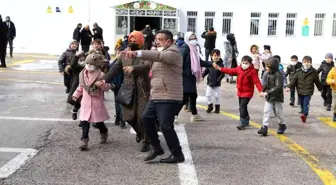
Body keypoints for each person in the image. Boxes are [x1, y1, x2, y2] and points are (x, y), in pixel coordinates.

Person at [122, 29, 185, 163]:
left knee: (165, 125)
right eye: (156, 39)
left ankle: (177, 154)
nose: (156, 41)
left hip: (169, 95)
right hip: (156, 94)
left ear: (168, 41)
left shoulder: (173, 52)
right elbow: (147, 64)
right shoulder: (159, 53)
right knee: (146, 118)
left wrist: (137, 53)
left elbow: (159, 57)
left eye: (160, 39)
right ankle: (157, 147)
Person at [104, 31, 152, 152]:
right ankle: (140, 133)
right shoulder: (123, 54)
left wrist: (134, 68)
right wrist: (103, 80)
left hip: (143, 89)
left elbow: (147, 67)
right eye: (130, 40)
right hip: (128, 89)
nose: (132, 42)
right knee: (128, 117)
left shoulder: (146, 53)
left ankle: (147, 141)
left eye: (135, 41)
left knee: (142, 117)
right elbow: (114, 69)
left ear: (141, 41)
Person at [72, 53, 111, 150]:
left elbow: (107, 87)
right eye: (87, 64)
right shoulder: (83, 74)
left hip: (96, 103)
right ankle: (84, 140)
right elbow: (81, 87)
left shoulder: (101, 75)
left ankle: (104, 132)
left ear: (97, 65)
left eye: (92, 65)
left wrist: (101, 84)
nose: (89, 66)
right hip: (85, 103)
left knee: (98, 122)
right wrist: (76, 95)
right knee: (85, 122)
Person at [213, 56, 263, 130]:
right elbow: (230, 71)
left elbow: (257, 81)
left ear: (250, 64)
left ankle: (242, 122)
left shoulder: (253, 71)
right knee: (243, 106)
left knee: (242, 107)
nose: (244, 64)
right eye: (243, 63)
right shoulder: (239, 69)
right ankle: (246, 119)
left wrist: (261, 91)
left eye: (246, 63)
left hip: (248, 92)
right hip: (240, 91)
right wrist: (220, 68)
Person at [176, 31, 212, 122]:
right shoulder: (184, 49)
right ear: (187, 39)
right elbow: (179, 63)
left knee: (193, 96)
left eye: (194, 38)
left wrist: (213, 64)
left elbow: (200, 62)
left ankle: (194, 115)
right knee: (185, 97)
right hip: (185, 77)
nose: (193, 40)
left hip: (191, 77)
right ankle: (174, 115)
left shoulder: (194, 49)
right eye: (191, 38)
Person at [286, 56, 323, 123]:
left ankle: (305, 114)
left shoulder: (314, 72)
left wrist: (321, 89)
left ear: (311, 63)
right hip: (300, 90)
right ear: (302, 63)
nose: (306, 64)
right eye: (305, 62)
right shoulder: (298, 71)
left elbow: (317, 82)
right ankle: (303, 112)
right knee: (302, 104)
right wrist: (289, 86)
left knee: (306, 103)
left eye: (308, 62)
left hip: (308, 91)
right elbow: (293, 80)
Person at [258, 58, 286, 136]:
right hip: (269, 97)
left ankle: (282, 125)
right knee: (266, 111)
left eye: (267, 66)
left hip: (277, 97)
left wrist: (267, 92)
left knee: (278, 112)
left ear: (272, 66)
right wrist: (262, 91)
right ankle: (264, 127)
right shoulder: (269, 73)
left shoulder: (278, 75)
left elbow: (278, 87)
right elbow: (267, 84)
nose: (266, 68)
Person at [65, 50, 87, 120]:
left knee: (86, 103)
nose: (81, 58)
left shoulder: (88, 66)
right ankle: (75, 111)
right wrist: (76, 56)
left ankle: (84, 120)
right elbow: (73, 64)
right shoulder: (77, 67)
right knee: (77, 101)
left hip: (86, 87)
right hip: (78, 87)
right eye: (80, 57)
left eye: (82, 56)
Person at [202, 49, 224, 113]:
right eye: (214, 55)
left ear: (219, 56)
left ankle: (217, 107)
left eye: (217, 55)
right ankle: (210, 106)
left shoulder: (221, 65)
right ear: (211, 56)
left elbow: (222, 74)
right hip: (210, 83)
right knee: (208, 95)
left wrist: (218, 80)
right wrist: (202, 76)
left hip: (217, 83)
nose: (216, 57)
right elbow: (206, 71)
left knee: (217, 96)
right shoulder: (210, 64)